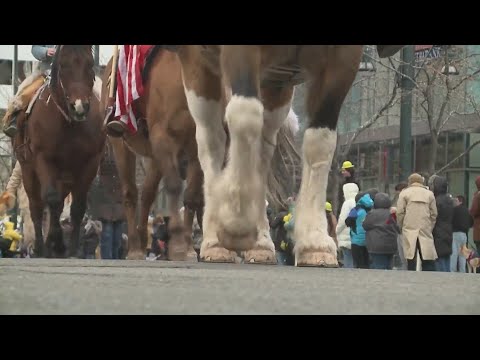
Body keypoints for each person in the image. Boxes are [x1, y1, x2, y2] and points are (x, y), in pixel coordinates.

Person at [3, 45, 56, 138]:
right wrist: (45, 51)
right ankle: (14, 120)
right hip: (46, 73)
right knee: (25, 93)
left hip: (72, 74)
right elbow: (35, 49)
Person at [88, 140, 126, 260]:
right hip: (104, 202)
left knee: (117, 241)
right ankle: (108, 265)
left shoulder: (124, 145)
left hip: (119, 202)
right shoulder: (102, 145)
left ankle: (115, 265)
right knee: (107, 238)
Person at [396, 173, 438, 271]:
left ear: (409, 181)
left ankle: (412, 276)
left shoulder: (404, 193)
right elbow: (434, 213)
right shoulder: (429, 194)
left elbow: (400, 212)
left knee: (410, 257)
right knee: (427, 257)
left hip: (409, 228)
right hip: (425, 228)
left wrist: (402, 225)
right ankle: (428, 278)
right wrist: (429, 226)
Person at [363, 193, 399, 270]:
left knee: (379, 267)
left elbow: (365, 225)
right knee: (389, 266)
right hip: (391, 245)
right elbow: (397, 227)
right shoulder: (391, 214)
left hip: (376, 245)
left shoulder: (372, 214)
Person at [429, 175, 454, 272]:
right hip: (448, 231)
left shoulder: (436, 201)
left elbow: (434, 216)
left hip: (438, 232)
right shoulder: (449, 200)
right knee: (446, 257)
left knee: (439, 259)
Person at [336, 183, 359, 268]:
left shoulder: (347, 203)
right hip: (357, 237)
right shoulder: (359, 201)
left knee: (348, 260)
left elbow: (343, 220)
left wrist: (337, 230)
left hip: (346, 236)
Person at [451, 195, 473, 272]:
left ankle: (452, 271)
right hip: (464, 235)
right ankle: (462, 271)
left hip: (455, 234)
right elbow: (471, 222)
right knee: (462, 254)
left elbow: (451, 220)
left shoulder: (455, 210)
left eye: (456, 201)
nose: (454, 202)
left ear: (460, 201)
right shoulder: (468, 211)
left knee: (454, 254)